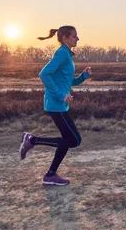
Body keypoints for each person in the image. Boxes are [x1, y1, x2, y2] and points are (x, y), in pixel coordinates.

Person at [19, 25, 92, 186]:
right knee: (74, 140)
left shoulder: (66, 54)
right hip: (56, 104)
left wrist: (83, 76)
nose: (78, 39)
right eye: (74, 36)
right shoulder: (62, 54)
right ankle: (32, 140)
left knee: (67, 140)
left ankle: (50, 175)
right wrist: (60, 95)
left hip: (60, 105)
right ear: (65, 38)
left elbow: (68, 81)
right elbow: (44, 74)